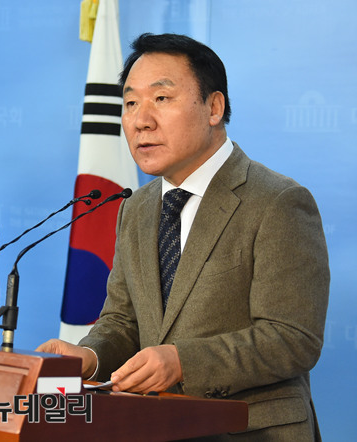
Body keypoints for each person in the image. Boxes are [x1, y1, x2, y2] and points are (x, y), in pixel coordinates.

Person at [37, 33, 329, 440]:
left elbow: (292, 339)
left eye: (161, 98)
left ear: (214, 107)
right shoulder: (136, 207)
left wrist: (182, 362)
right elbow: (123, 320)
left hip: (249, 431)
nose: (141, 120)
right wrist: (89, 356)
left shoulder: (278, 201)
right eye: (130, 103)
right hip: (156, 427)